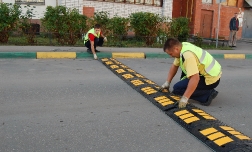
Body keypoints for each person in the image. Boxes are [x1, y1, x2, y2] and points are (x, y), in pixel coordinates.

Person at [159, 38, 222, 108]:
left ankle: (207, 95)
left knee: (178, 89)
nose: (171, 56)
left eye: (171, 54)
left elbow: (195, 78)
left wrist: (185, 98)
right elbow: (174, 66)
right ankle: (203, 91)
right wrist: (167, 82)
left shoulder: (187, 55)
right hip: (209, 74)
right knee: (180, 87)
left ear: (176, 49)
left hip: (211, 79)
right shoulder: (182, 47)